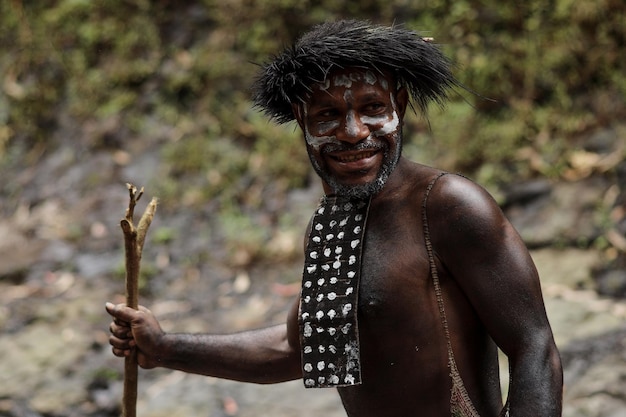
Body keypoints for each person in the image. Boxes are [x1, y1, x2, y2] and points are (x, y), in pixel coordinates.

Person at [106, 19, 563, 417]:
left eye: (372, 109)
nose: (353, 132)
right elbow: (296, 351)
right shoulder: (330, 225)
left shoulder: (447, 206)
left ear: (398, 107)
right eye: (328, 114)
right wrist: (164, 348)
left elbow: (534, 347)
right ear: (299, 117)